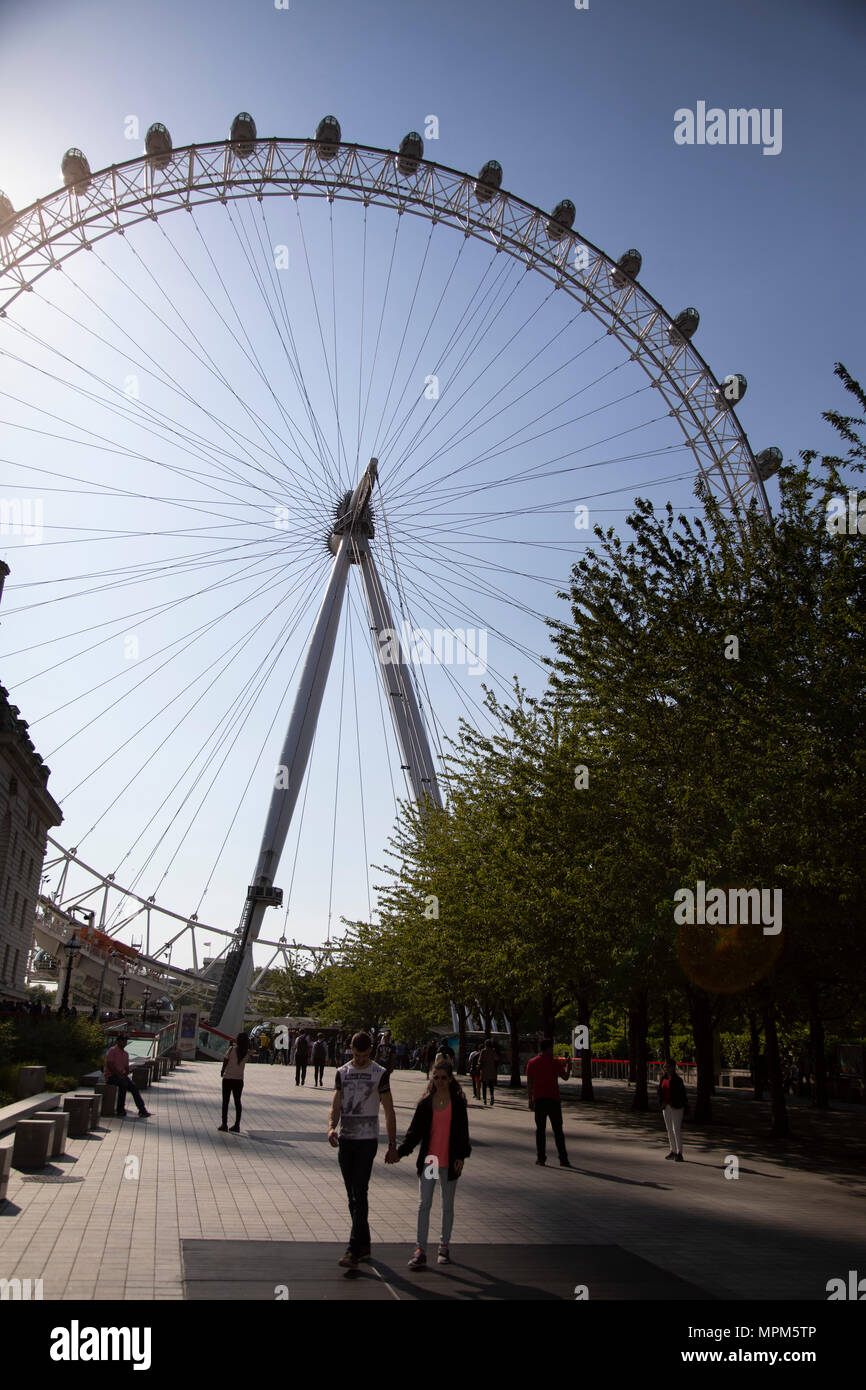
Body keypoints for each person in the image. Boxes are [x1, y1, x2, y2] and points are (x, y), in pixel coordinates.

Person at [328, 1031, 398, 1270]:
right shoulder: (342, 1073)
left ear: (372, 1052)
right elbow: (336, 1104)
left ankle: (352, 1249)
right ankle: (365, 1244)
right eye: (357, 1055)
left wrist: (392, 1144)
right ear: (351, 1050)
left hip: (367, 1141)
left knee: (360, 1192)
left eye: (365, 1055)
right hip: (346, 1140)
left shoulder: (380, 1074)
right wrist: (330, 1128)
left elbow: (389, 1110)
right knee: (352, 1196)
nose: (359, 1060)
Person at [396, 1058, 471, 1270]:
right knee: (424, 1204)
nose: (439, 1081)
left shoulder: (457, 1104)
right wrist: (400, 1153)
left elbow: (463, 1134)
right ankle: (420, 1249)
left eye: (444, 1078)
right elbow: (414, 1133)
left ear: (450, 1079)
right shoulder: (426, 1104)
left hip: (449, 1160)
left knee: (447, 1205)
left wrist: (461, 1157)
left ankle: (444, 1246)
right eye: (436, 1077)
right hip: (430, 1159)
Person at [526, 1038, 572, 1167]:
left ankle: (541, 1158)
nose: (553, 1050)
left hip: (539, 1099)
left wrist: (530, 1099)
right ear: (547, 1048)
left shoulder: (532, 1062)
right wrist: (569, 1066)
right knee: (558, 1130)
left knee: (540, 1130)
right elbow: (566, 1077)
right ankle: (563, 1159)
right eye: (551, 1048)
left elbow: (530, 1083)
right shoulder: (554, 1063)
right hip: (553, 1100)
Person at [104, 1034, 151, 1118]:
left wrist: (125, 1074)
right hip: (111, 1076)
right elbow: (109, 1065)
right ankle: (120, 1109)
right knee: (123, 1085)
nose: (125, 1043)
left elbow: (126, 1068)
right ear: (118, 1041)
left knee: (133, 1087)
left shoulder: (125, 1054)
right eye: (123, 1041)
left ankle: (142, 1109)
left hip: (121, 1076)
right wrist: (119, 1075)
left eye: (126, 1041)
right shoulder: (112, 1051)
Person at [657, 1058, 688, 1161]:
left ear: (673, 1067)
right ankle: (673, 1150)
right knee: (669, 1129)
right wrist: (661, 1103)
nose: (667, 1069)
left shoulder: (677, 1080)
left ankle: (679, 1152)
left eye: (668, 1067)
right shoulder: (663, 1078)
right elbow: (660, 1091)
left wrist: (680, 1104)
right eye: (665, 1067)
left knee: (676, 1129)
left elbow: (682, 1095)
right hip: (666, 1106)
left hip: (676, 1106)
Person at [219, 1032, 249, 1133]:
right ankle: (237, 1124)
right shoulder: (246, 1052)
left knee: (225, 1102)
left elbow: (225, 1060)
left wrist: (222, 1070)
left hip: (228, 1078)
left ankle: (224, 1124)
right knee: (237, 1102)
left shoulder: (231, 1049)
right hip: (239, 1080)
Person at [478, 1037, 501, 1106]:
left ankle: (485, 1099)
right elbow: (497, 1058)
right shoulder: (493, 1051)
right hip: (492, 1070)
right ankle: (491, 1096)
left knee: (484, 1085)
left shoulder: (483, 1051)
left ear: (485, 1044)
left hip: (484, 1071)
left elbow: (480, 1060)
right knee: (491, 1086)